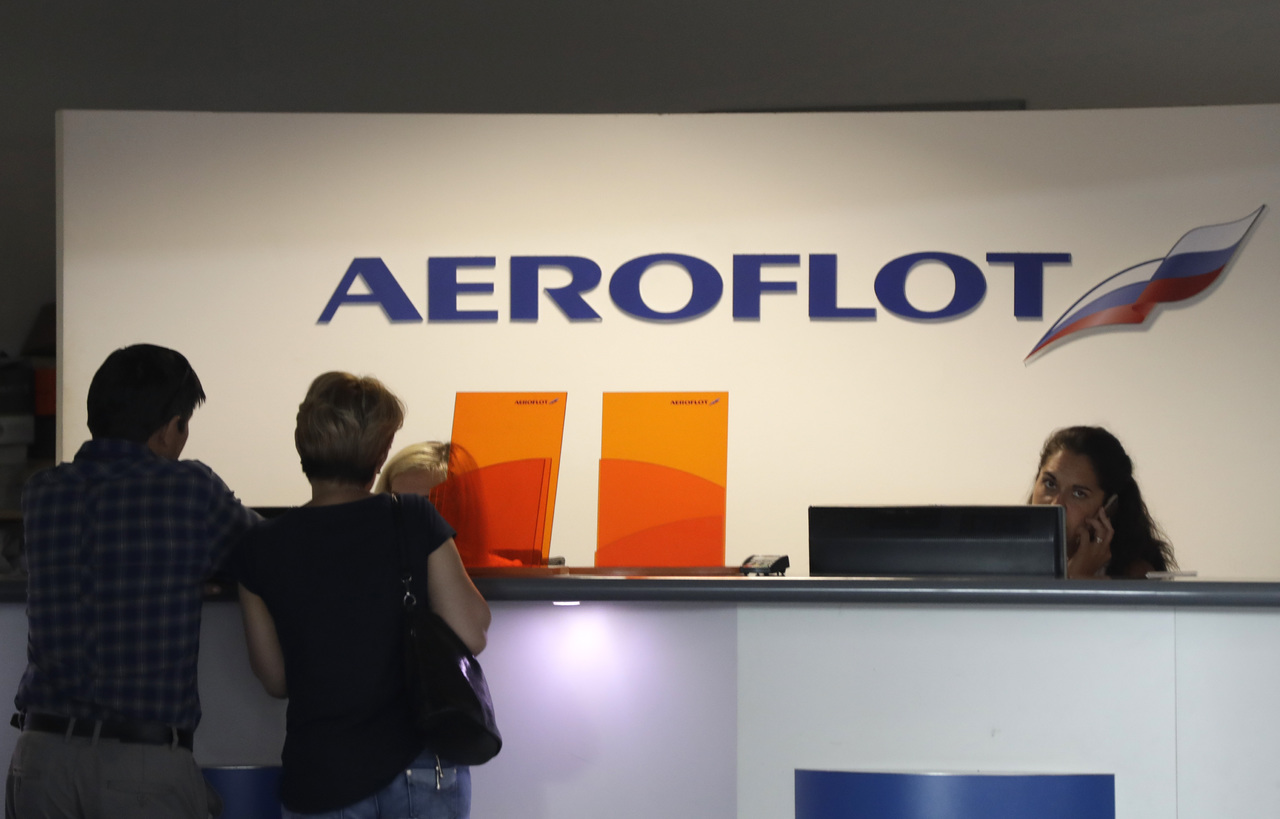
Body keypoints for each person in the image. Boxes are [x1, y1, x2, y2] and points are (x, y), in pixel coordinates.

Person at [6, 343, 261, 819]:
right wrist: (196, 567)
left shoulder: (41, 494)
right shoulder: (189, 489)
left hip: (39, 762)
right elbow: (270, 557)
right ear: (168, 429)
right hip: (140, 769)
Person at [235, 373, 490, 819]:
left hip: (321, 773)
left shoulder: (259, 546)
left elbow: (276, 680)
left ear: (301, 443)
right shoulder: (412, 517)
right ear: (381, 452)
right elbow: (470, 633)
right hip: (418, 767)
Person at [1029, 425, 1176, 579]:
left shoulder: (1133, 575)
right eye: (1050, 484)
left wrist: (1078, 577)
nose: (1056, 504)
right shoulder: (1013, 558)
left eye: (1079, 494)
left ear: (1108, 507)